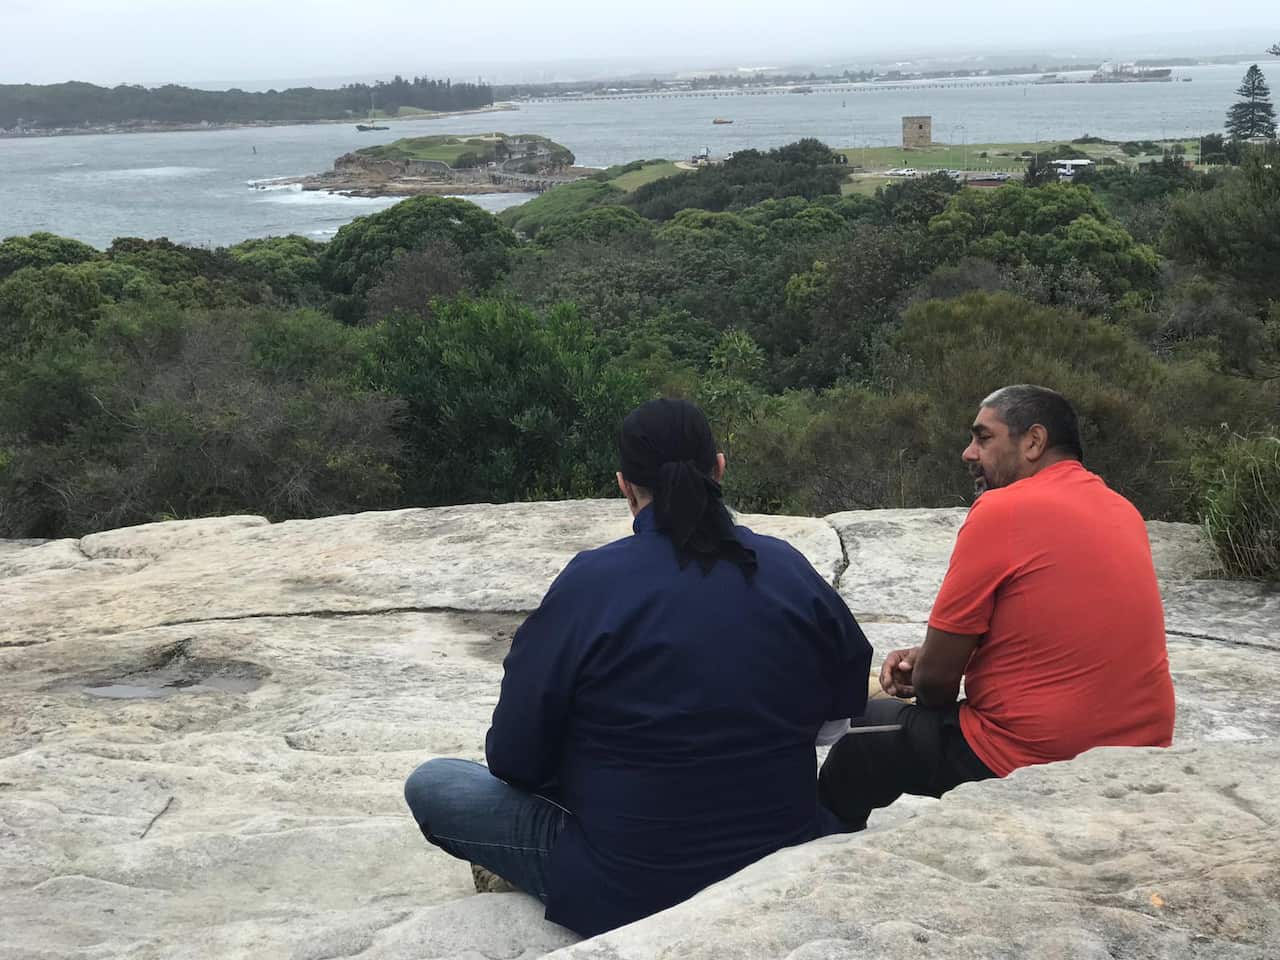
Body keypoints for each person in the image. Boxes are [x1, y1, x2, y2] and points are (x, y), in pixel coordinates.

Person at [404, 398, 872, 937]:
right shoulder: (787, 568)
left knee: (435, 784)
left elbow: (513, 760)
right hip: (776, 857)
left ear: (624, 485)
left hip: (629, 886)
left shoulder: (592, 583)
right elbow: (836, 719)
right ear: (718, 467)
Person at [818, 384, 1176, 830]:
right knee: (876, 712)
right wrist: (930, 655)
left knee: (861, 745)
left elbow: (935, 685)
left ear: (1033, 441)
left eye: (983, 438)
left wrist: (930, 672)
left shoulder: (1001, 510)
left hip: (1038, 755)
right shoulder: (1121, 509)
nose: (969, 453)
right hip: (1141, 750)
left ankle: (818, 858)